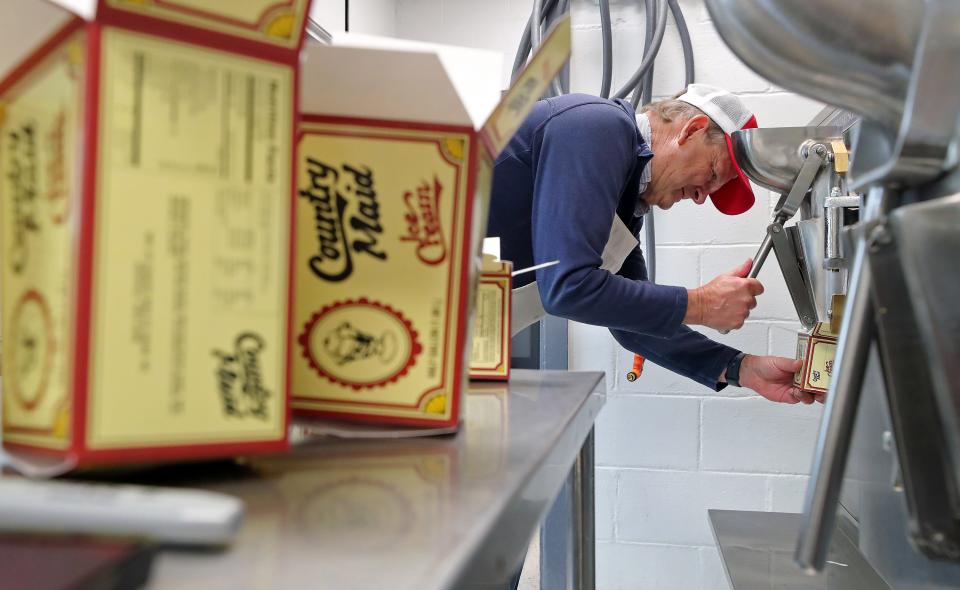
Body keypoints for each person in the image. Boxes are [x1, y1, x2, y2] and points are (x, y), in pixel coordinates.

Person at [488, 83, 818, 404]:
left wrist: (741, 369)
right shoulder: (596, 125)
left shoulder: (625, 204)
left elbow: (633, 326)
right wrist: (701, 304)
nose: (704, 197)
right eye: (715, 173)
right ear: (691, 130)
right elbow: (567, 287)